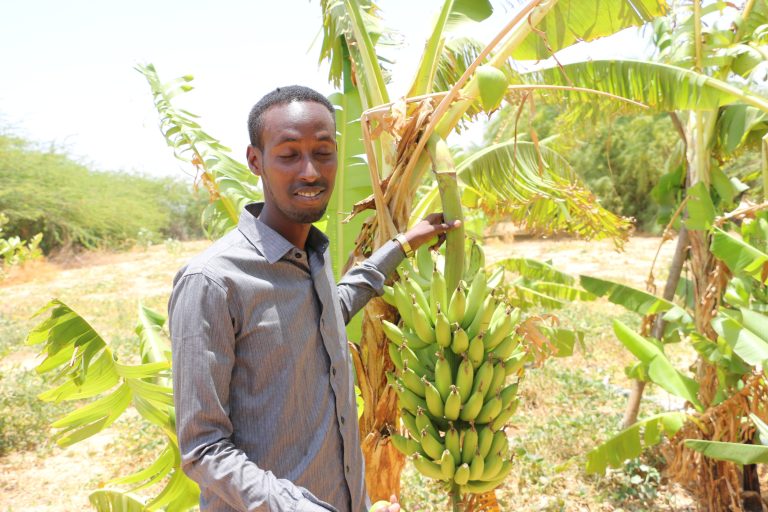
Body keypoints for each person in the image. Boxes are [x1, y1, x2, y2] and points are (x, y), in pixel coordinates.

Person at [168, 85, 460, 512]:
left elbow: (330, 310)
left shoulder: (313, 256)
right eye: (289, 155)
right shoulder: (213, 282)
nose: (310, 172)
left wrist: (403, 243)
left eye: (323, 152)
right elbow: (204, 449)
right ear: (255, 161)